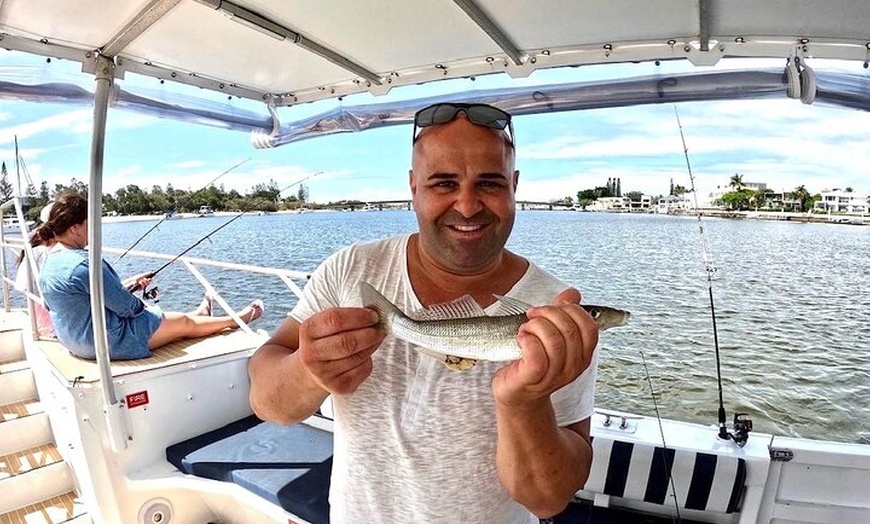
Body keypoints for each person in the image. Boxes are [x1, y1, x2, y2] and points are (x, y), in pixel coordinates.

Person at [249, 102, 600, 523]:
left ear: (514, 186)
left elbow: (548, 500)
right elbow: (269, 404)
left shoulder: (557, 313)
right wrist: (308, 371)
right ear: (413, 187)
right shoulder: (350, 270)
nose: (467, 206)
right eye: (443, 183)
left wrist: (524, 402)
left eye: (489, 183)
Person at [38, 192, 264, 361]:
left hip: (75, 340)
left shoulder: (51, 261)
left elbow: (88, 299)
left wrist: (129, 285)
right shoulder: (84, 263)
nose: (94, 229)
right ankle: (237, 320)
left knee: (175, 323)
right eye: (90, 223)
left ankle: (200, 314)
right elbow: (128, 309)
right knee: (181, 323)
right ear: (76, 227)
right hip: (106, 342)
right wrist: (140, 304)